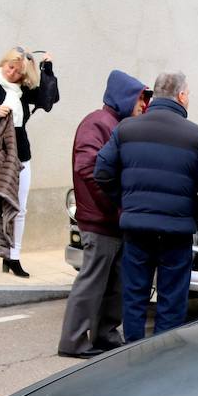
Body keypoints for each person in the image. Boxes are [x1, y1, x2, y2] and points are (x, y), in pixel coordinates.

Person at [95, 71, 198, 342]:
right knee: (172, 300)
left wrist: (127, 203)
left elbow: (102, 173)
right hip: (176, 232)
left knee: (134, 297)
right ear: (181, 96)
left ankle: (132, 352)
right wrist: (192, 213)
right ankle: (163, 356)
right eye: (188, 94)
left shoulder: (126, 129)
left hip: (137, 230)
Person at [57, 70, 149, 359]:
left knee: (113, 283)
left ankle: (105, 336)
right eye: (140, 98)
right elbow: (87, 169)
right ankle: (73, 342)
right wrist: (116, 202)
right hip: (100, 220)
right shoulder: (97, 122)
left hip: (112, 219)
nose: (143, 105)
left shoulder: (114, 124)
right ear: (124, 97)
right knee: (93, 282)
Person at [0, 46, 60, 277]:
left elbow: (49, 99)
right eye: (10, 67)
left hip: (21, 154)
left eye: (18, 71)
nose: (12, 73)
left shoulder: (23, 89)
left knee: (20, 208)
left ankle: (13, 258)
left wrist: (47, 69)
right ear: (3, 63)